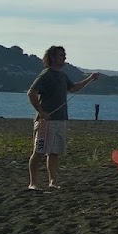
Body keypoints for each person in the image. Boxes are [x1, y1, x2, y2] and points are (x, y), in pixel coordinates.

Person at [27, 46, 101, 190]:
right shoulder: (45, 75)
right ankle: (33, 183)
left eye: (64, 55)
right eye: (61, 55)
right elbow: (31, 93)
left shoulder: (62, 75)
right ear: (53, 57)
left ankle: (53, 181)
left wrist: (90, 79)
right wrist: (42, 112)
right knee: (39, 151)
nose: (64, 58)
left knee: (55, 152)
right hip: (45, 121)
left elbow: (73, 88)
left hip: (60, 120)